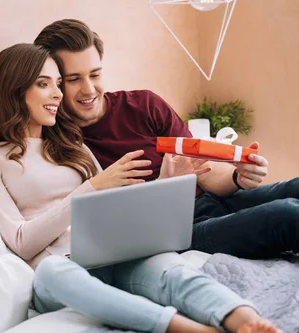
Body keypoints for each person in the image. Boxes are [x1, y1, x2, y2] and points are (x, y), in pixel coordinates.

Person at [0, 43, 285, 333]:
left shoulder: (72, 145)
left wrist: (168, 182)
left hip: (112, 249)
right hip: (60, 266)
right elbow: (21, 242)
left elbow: (120, 207)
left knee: (170, 270)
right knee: (54, 273)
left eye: (59, 83)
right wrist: (92, 187)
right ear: (15, 90)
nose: (59, 94)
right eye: (46, 84)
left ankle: (247, 320)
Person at [31, 19, 299, 260]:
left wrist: (236, 178)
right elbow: (106, 224)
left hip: (209, 202)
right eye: (73, 79)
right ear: (53, 82)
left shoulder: (143, 105)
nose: (89, 89)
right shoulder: (59, 145)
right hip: (175, 234)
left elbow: (200, 168)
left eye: (95, 74)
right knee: (287, 215)